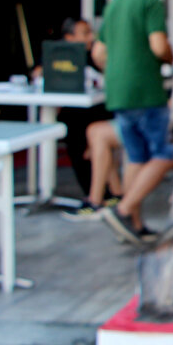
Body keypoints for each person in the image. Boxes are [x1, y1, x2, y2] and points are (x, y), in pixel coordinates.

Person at [93, 0, 173, 244]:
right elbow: (158, 46)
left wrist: (119, 69)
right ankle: (125, 210)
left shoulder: (115, 3)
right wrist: (172, 58)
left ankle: (134, 226)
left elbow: (99, 52)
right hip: (145, 89)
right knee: (167, 152)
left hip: (117, 91)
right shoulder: (149, 1)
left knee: (136, 157)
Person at [49, 16, 123, 218]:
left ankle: (98, 197)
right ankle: (111, 193)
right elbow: (39, 72)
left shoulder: (96, 55)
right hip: (82, 113)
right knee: (75, 122)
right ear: (69, 37)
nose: (91, 37)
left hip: (101, 110)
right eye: (85, 33)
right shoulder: (57, 56)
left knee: (86, 131)